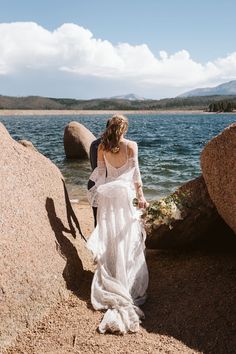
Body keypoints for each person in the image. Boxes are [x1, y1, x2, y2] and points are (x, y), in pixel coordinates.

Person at [87, 114, 149, 334]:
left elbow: (101, 176)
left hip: (108, 197)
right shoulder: (131, 146)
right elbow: (136, 175)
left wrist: (101, 195)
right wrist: (141, 197)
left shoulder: (101, 148)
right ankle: (127, 279)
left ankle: (113, 273)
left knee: (112, 235)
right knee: (128, 236)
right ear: (124, 129)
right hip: (124, 197)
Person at [87, 119, 110, 227]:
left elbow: (94, 166)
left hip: (93, 183)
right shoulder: (106, 146)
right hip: (101, 185)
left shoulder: (94, 144)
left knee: (97, 220)